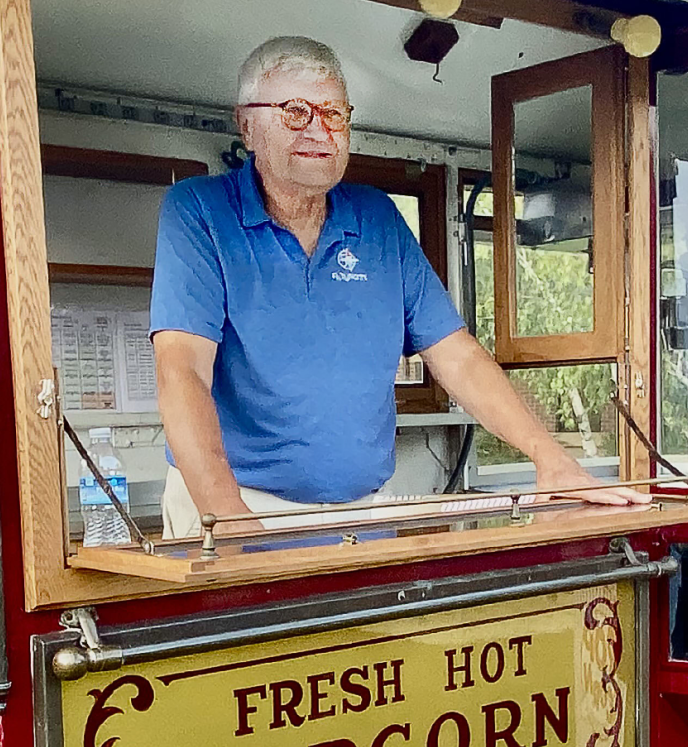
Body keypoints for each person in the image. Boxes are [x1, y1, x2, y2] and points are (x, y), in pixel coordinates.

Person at [150, 36, 649, 539]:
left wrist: (551, 459)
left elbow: (456, 355)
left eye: (334, 113)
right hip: (235, 504)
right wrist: (228, 517)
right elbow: (182, 371)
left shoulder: (378, 219)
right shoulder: (198, 211)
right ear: (247, 124)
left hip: (361, 512)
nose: (320, 130)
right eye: (296, 112)